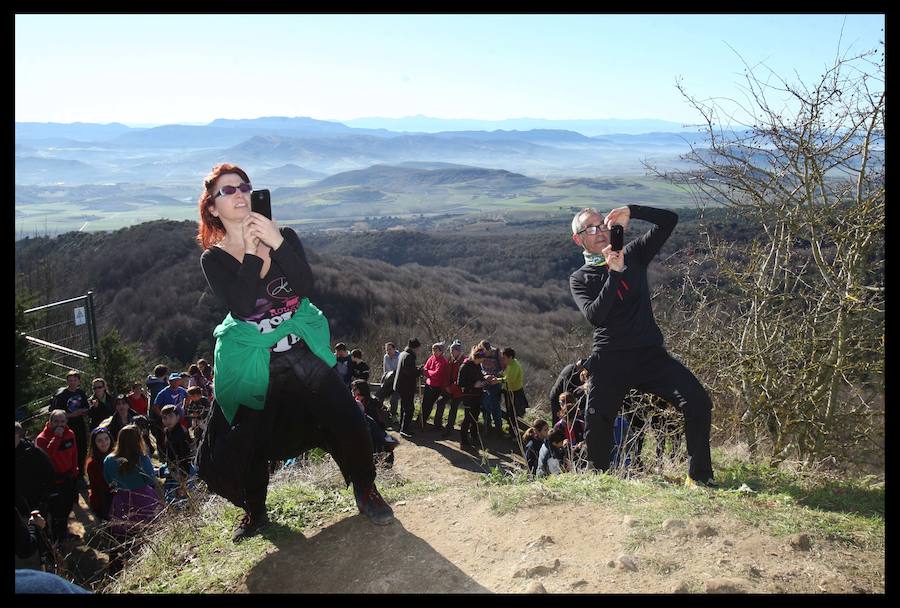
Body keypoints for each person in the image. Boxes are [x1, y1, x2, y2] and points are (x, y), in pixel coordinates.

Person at [196, 162, 393, 542]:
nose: (239, 194)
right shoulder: (215, 258)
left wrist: (277, 243)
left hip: (298, 349)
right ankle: (255, 511)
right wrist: (254, 253)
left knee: (346, 416)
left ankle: (366, 490)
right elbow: (240, 303)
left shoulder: (283, 235)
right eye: (228, 190)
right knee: (249, 436)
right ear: (213, 207)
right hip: (255, 357)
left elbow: (304, 284)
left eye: (244, 187)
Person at [569, 205, 715, 486]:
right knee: (598, 421)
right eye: (591, 228)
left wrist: (631, 211)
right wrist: (614, 273)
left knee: (698, 402)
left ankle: (699, 477)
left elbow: (669, 220)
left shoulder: (634, 254)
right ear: (579, 239)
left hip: (649, 353)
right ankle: (600, 482)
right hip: (610, 356)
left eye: (603, 225)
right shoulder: (581, 278)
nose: (600, 232)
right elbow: (596, 316)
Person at [103, 425, 161, 538]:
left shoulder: (109, 460)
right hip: (143, 497)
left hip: (121, 498)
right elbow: (150, 479)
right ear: (138, 440)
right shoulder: (142, 458)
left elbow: (108, 480)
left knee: (125, 531)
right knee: (148, 530)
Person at [34, 410, 80, 542]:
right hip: (53, 482)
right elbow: (46, 457)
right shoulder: (42, 438)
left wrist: (75, 472)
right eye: (56, 421)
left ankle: (63, 532)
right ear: (50, 422)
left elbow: (74, 454)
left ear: (66, 422)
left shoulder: (70, 434)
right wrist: (57, 438)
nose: (59, 424)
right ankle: (55, 539)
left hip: (69, 477)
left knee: (67, 506)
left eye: (62, 421)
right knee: (56, 512)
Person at [51, 370, 90, 480]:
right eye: (70, 380)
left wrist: (83, 411)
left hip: (80, 425)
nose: (72, 382)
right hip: (66, 427)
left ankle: (81, 474)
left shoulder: (81, 393)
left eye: (75, 380)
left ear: (79, 381)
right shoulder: (62, 395)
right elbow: (56, 414)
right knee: (69, 450)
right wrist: (71, 415)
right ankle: (71, 474)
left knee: (82, 448)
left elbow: (87, 408)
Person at [351, 380, 399, 467]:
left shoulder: (371, 403)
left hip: (374, 433)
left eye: (355, 389)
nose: (352, 391)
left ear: (361, 390)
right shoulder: (355, 401)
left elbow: (374, 421)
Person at [15, 422, 55, 520]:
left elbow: (49, 471)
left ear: (18, 435)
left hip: (36, 501)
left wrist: (44, 495)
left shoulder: (32, 451)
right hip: (18, 505)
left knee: (41, 528)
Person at [457, 346, 493, 450]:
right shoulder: (465, 366)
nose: (483, 361)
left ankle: (474, 437)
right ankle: (463, 441)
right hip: (468, 396)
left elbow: (480, 376)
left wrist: (486, 377)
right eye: (482, 359)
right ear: (476, 357)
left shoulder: (477, 366)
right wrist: (473, 385)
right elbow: (460, 383)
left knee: (475, 418)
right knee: (468, 419)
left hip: (478, 396)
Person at [160, 405, 193, 501]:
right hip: (171, 467)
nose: (168, 420)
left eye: (171, 416)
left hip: (182, 469)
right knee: (171, 496)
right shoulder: (167, 431)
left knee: (181, 496)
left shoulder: (181, 432)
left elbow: (185, 455)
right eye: (164, 418)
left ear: (177, 417)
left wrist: (183, 474)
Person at [393, 338, 422, 439]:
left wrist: (416, 369)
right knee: (410, 408)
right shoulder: (409, 356)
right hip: (406, 386)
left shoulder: (403, 354)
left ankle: (402, 425)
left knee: (404, 407)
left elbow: (408, 369)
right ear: (415, 348)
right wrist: (420, 371)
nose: (419, 350)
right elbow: (410, 372)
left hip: (400, 385)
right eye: (418, 348)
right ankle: (404, 429)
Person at [498, 347, 529, 438]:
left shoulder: (515, 365)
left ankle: (514, 435)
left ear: (510, 357)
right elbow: (506, 375)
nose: (503, 360)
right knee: (509, 414)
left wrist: (497, 380)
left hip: (515, 393)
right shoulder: (510, 364)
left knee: (513, 415)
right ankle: (512, 433)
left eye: (504, 358)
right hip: (509, 391)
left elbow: (510, 379)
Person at [420, 342, 451, 431]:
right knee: (424, 404)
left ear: (441, 351)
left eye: (436, 350)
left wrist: (428, 372)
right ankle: (421, 421)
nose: (434, 352)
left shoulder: (442, 361)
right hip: (428, 384)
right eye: (433, 350)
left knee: (429, 404)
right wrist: (429, 372)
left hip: (436, 386)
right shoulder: (431, 358)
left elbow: (436, 373)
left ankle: (429, 423)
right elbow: (425, 369)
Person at [85, 427, 114, 520]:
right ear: (94, 443)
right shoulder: (92, 463)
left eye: (106, 439)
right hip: (103, 500)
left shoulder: (116, 456)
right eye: (99, 440)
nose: (104, 443)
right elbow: (101, 485)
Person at [437, 341, 465, 438]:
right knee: (440, 402)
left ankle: (449, 428)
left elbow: (461, 378)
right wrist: (446, 387)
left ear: (458, 351)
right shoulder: (449, 360)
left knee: (453, 408)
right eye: (451, 350)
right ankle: (438, 425)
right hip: (448, 388)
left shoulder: (463, 361)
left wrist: (452, 388)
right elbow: (445, 375)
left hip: (458, 391)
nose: (451, 352)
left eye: (453, 350)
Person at [548, 358, 587, 424]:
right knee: (559, 422)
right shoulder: (570, 372)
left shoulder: (575, 372)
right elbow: (566, 393)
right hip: (558, 399)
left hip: (566, 399)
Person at [477, 340, 504, 437]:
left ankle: (498, 429)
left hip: (495, 383)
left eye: (487, 350)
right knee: (485, 406)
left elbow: (503, 368)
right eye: (484, 351)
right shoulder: (479, 352)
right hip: (485, 383)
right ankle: (487, 427)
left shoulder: (497, 353)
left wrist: (496, 377)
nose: (486, 353)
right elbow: (479, 367)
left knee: (496, 406)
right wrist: (485, 376)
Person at [146, 364, 169, 458]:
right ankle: (163, 456)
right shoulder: (159, 386)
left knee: (160, 436)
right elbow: (158, 403)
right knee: (161, 436)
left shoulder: (153, 383)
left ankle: (163, 455)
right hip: (159, 414)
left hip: (153, 413)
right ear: (164, 374)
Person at [377, 342, 401, 422]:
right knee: (379, 395)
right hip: (388, 379)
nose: (388, 352)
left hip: (398, 381)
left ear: (394, 349)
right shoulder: (386, 357)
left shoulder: (400, 356)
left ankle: (393, 415)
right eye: (387, 350)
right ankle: (380, 413)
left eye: (390, 349)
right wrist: (382, 382)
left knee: (393, 399)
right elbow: (385, 370)